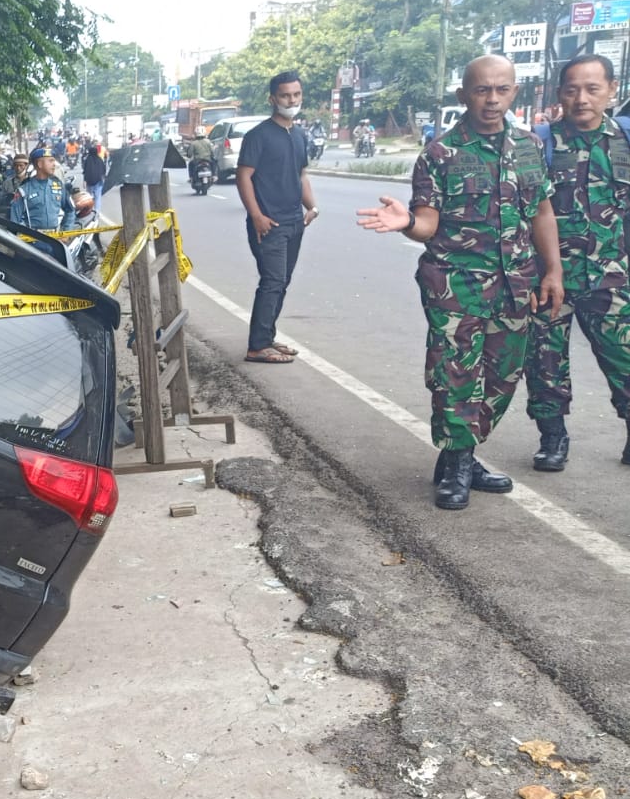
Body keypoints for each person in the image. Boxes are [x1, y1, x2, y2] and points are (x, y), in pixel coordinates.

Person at [356, 55, 565, 510]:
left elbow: (542, 212)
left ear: (515, 92)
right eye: (481, 90)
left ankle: (462, 452)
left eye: (502, 89)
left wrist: (554, 270)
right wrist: (406, 221)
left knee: (503, 376)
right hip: (456, 286)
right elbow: (428, 223)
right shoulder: (440, 154)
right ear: (463, 95)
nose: (492, 100)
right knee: (454, 376)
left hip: (517, 284)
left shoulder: (530, 145)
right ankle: (457, 465)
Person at [524, 53, 630, 469]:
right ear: (559, 94)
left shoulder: (625, 140)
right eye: (572, 90)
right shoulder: (539, 143)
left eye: (592, 88)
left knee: (624, 356)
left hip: (613, 277)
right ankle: (553, 438)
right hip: (552, 278)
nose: (582, 98)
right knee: (545, 362)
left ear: (611, 90)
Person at [237, 70, 319, 364]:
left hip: (295, 222)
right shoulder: (258, 136)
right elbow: (244, 177)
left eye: (296, 94)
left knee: (282, 281)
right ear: (273, 98)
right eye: (285, 95)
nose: (291, 100)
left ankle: (267, 337)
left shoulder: (298, 135)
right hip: (268, 224)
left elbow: (301, 175)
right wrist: (256, 215)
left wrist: (312, 207)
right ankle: (257, 346)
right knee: (272, 281)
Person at [10, 148, 76, 233]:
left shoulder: (58, 187)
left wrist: (65, 232)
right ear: (40, 164)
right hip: (32, 241)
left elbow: (70, 210)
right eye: (50, 161)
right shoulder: (23, 190)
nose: (54, 164)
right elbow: (14, 221)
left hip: (54, 240)